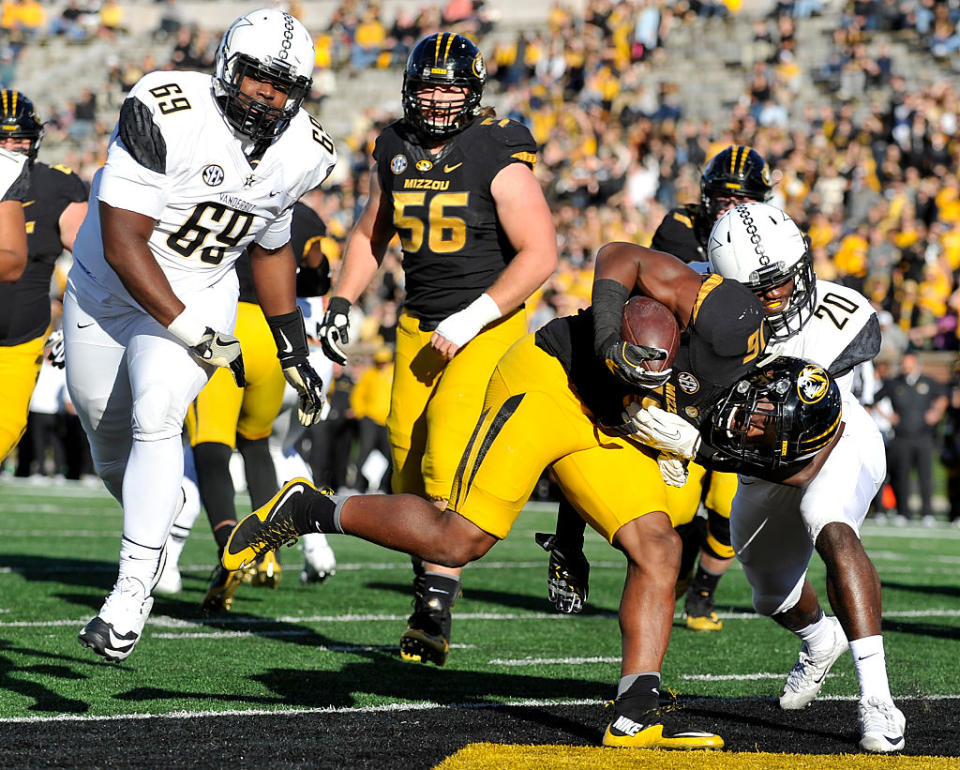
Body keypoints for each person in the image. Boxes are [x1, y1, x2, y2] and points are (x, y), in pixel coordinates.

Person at [225, 240, 777, 749]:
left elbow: (733, 449)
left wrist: (575, 537)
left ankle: (635, 711)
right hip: (548, 382)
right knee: (457, 541)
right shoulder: (714, 310)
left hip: (609, 419)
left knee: (658, 546)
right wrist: (609, 339)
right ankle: (309, 508)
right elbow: (616, 255)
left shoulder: (750, 360)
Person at [64, 7, 336, 662]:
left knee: (158, 413)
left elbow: (271, 248)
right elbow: (128, 244)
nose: (267, 94)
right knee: (107, 442)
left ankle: (130, 595)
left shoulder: (304, 150)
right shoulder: (163, 109)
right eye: (255, 76)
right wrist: (197, 335)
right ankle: (173, 500)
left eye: (283, 84)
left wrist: (292, 344)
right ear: (225, 66)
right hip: (108, 290)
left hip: (204, 287)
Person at [316, 32, 557, 667]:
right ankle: (426, 598)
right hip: (419, 324)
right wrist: (341, 301)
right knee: (406, 461)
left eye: (452, 87)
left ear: (473, 91)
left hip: (487, 324)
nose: (439, 98)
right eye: (429, 85)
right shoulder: (394, 144)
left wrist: (475, 314)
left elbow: (541, 254)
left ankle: (434, 607)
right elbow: (373, 228)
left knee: (445, 460)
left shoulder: (497, 149)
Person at [643, 201, 903, 752]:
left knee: (827, 522)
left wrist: (697, 446)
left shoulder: (839, 317)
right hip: (754, 468)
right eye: (761, 292)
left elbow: (805, 462)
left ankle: (877, 698)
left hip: (836, 436)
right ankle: (818, 641)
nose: (779, 298)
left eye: (785, 283)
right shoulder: (708, 331)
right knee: (770, 595)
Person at [541, 144, 776, 630]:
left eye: (742, 199)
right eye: (722, 197)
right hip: (672, 365)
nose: (729, 208)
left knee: (728, 499)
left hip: (730, 373)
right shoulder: (679, 228)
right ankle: (569, 539)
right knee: (606, 424)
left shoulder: (772, 237)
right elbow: (661, 298)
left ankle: (702, 595)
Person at [183, 201, 334, 614]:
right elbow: (317, 278)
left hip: (222, 328)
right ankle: (269, 554)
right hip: (271, 335)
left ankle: (231, 548)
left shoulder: (217, 193)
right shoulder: (306, 216)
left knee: (211, 450)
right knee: (257, 445)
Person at [0, 90, 83, 464]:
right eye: (2, 139)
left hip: (21, 338)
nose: (12, 147)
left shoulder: (56, 185)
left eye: (19, 138)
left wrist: (77, 323)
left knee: (5, 430)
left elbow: (90, 260)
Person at [875, 351, 947, 525]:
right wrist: (889, 417)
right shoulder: (894, 383)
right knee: (901, 476)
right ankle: (903, 513)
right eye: (903, 363)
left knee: (925, 476)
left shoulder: (927, 382)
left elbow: (943, 397)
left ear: (915, 363)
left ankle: (927, 513)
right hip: (902, 437)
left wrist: (936, 413)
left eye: (908, 362)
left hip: (924, 437)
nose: (905, 366)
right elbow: (875, 400)